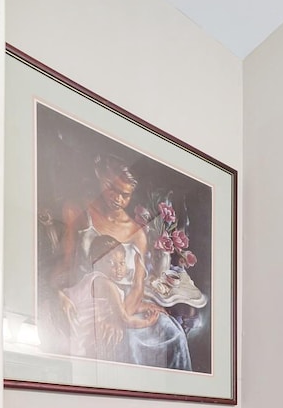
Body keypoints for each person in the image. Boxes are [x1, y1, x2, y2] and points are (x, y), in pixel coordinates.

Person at [55, 155, 192, 370]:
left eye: (125, 194)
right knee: (125, 340)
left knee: (172, 331)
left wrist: (120, 317)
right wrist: (58, 294)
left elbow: (138, 286)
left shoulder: (137, 234)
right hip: (92, 304)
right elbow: (65, 267)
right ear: (100, 176)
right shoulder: (78, 213)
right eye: (111, 188)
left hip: (126, 305)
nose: (117, 198)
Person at [59, 235, 164, 361]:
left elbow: (117, 306)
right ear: (95, 262)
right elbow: (124, 318)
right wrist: (148, 322)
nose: (118, 269)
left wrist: (143, 307)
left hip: (78, 327)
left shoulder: (93, 278)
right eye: (110, 262)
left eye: (122, 263)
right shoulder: (106, 285)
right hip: (81, 333)